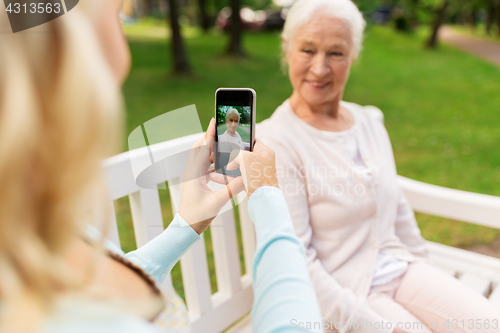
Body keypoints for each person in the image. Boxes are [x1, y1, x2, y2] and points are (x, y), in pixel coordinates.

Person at [0, 1, 324, 333]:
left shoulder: (30, 233)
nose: (123, 59)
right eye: (116, 18)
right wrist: (269, 198)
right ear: (63, 52)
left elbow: (106, 293)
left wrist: (184, 226)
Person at [257, 1, 500, 333]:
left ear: (353, 55)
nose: (319, 68)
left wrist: (423, 271)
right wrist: (382, 328)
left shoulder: (367, 122)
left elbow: (398, 210)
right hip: (343, 299)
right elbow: (296, 263)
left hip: (399, 269)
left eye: (336, 53)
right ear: (287, 49)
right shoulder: (276, 143)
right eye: (308, 50)